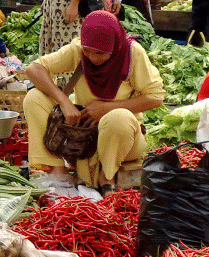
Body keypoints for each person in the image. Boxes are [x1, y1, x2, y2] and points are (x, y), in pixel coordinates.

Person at [24, 10, 165, 192]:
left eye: (100, 53)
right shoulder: (78, 49)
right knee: (34, 98)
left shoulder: (132, 53)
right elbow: (34, 69)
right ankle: (57, 171)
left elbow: (155, 97)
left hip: (123, 140)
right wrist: (64, 101)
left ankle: (107, 177)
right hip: (83, 137)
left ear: (114, 46)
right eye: (88, 51)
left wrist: (107, 108)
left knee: (118, 117)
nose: (93, 57)